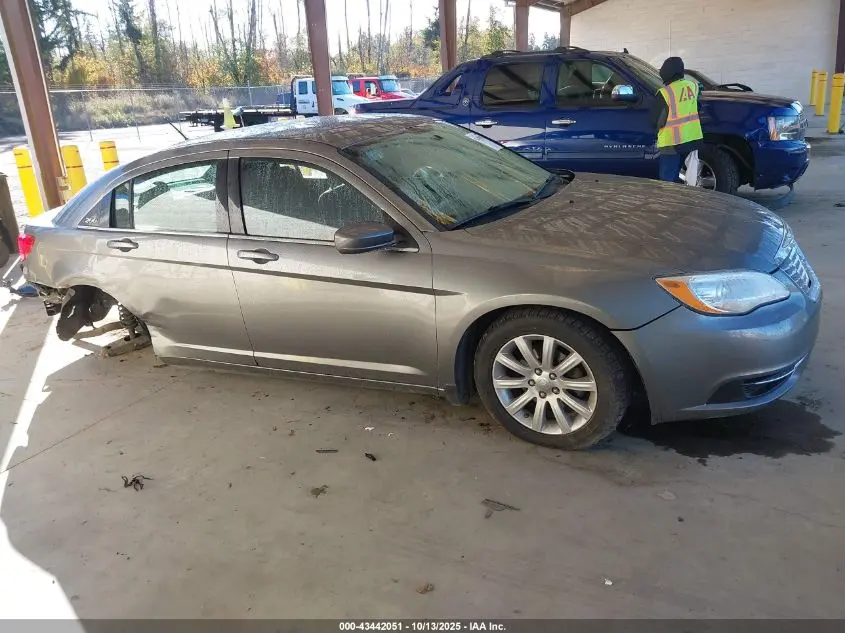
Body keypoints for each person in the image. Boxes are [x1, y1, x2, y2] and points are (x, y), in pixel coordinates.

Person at [650, 56, 703, 186]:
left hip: (671, 143)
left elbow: (657, 121)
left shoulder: (665, 92)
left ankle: (672, 205)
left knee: (668, 181)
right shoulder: (693, 86)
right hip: (691, 140)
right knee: (686, 176)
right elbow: (697, 107)